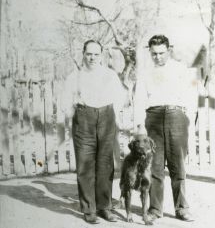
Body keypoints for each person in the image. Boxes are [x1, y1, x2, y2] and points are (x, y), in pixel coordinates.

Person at [62, 40, 126, 224]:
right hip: (84, 119)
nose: (92, 58)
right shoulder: (75, 76)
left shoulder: (110, 75)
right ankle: (89, 209)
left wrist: (113, 112)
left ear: (101, 56)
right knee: (85, 164)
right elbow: (65, 100)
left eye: (96, 54)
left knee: (105, 164)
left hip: (106, 117)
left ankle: (104, 207)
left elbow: (120, 96)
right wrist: (76, 111)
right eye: (89, 54)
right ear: (83, 53)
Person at [133, 34, 196, 222]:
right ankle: (155, 209)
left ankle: (182, 208)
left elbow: (191, 95)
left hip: (176, 116)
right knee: (155, 167)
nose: (158, 57)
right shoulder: (144, 73)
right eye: (154, 54)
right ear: (149, 52)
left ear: (168, 50)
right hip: (153, 118)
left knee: (178, 166)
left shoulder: (181, 69)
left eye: (161, 53)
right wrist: (140, 126)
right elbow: (139, 100)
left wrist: (187, 119)